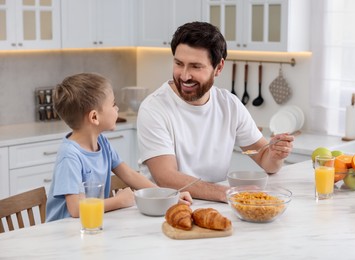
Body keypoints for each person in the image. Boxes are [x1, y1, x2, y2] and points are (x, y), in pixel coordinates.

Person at [137, 21, 295, 203]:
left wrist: (276, 155)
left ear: (219, 67)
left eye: (196, 66)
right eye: (179, 63)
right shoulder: (154, 108)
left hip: (216, 206)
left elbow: (265, 160)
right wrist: (229, 193)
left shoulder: (229, 105)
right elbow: (166, 177)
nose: (185, 76)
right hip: (167, 210)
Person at [46, 73, 192, 222]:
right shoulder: (69, 156)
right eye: (113, 104)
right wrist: (119, 201)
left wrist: (168, 196)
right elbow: (76, 209)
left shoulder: (101, 142)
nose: (117, 109)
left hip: (90, 225)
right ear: (94, 117)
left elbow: (129, 175)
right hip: (65, 231)